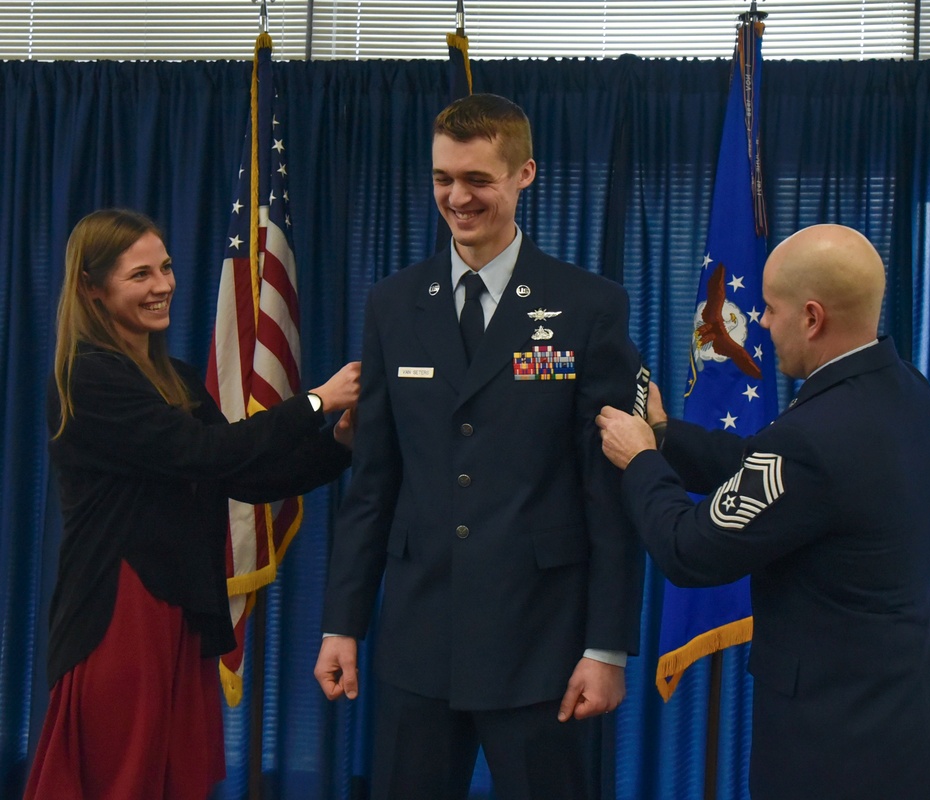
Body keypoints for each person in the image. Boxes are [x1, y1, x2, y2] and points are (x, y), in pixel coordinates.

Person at [314, 93, 644, 800]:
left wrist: (606, 646)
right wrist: (341, 623)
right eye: (442, 179)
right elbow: (373, 484)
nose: (457, 198)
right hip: (419, 638)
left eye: (477, 180)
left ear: (524, 174)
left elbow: (608, 490)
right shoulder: (394, 304)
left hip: (543, 645)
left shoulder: (589, 306)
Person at [596, 224, 930, 800]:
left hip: (841, 751)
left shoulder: (814, 437)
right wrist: (667, 437)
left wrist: (641, 460)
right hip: (919, 730)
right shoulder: (909, 391)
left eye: (771, 310)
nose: (763, 326)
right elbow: (765, 469)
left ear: (813, 318)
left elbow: (689, 550)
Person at [25, 208, 360, 800]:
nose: (163, 285)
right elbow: (202, 452)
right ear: (91, 288)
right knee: (120, 778)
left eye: (167, 267)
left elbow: (247, 474)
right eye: (140, 275)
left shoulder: (173, 377)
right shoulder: (85, 377)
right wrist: (315, 402)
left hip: (177, 609)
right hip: (119, 615)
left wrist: (337, 444)